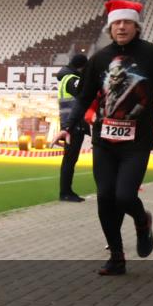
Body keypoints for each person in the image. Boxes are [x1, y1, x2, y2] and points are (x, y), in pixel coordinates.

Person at [55, 0, 153, 275]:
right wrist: (67, 127)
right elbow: (82, 99)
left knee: (125, 196)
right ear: (110, 27)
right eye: (116, 22)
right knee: (105, 197)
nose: (121, 27)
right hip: (103, 140)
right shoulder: (99, 59)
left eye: (126, 22)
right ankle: (117, 257)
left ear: (136, 26)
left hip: (136, 141)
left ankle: (142, 222)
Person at [56, 53, 89, 201]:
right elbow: (85, 96)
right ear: (81, 67)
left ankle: (66, 192)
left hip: (69, 124)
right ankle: (66, 193)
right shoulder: (73, 80)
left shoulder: (66, 78)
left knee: (69, 159)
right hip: (73, 125)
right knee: (70, 160)